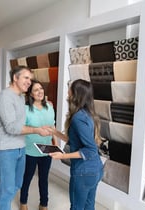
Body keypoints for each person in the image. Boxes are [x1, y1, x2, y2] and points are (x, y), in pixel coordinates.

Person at [0, 66, 51, 210]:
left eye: (30, 79)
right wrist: (36, 130)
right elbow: (11, 127)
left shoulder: (19, 97)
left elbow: (21, 123)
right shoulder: (5, 97)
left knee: (17, 184)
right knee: (7, 189)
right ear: (15, 78)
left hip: (20, 148)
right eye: (26, 78)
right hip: (5, 149)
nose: (29, 82)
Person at [48, 79, 103, 210]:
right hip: (95, 170)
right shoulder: (88, 114)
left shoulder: (78, 118)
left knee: (77, 207)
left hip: (84, 172)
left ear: (76, 94)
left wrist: (62, 156)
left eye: (70, 89)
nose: (68, 92)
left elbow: (90, 150)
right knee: (89, 206)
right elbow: (76, 140)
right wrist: (54, 132)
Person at [20, 79, 57, 210]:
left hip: (46, 149)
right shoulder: (26, 109)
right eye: (36, 90)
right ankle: (23, 202)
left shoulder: (50, 107)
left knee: (44, 178)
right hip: (30, 150)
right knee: (27, 177)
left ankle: (44, 204)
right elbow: (21, 128)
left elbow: (52, 126)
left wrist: (55, 145)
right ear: (30, 94)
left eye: (41, 88)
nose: (40, 91)